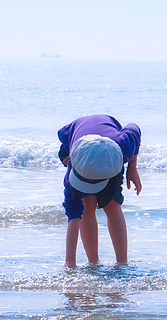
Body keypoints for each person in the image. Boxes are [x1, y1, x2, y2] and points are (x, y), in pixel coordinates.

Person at [57, 114, 142, 268]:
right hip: (79, 143)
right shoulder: (74, 165)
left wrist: (132, 167)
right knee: (85, 206)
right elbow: (74, 215)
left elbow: (134, 129)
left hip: (109, 152)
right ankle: (93, 264)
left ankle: (122, 263)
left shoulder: (123, 148)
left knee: (112, 204)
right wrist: (70, 262)